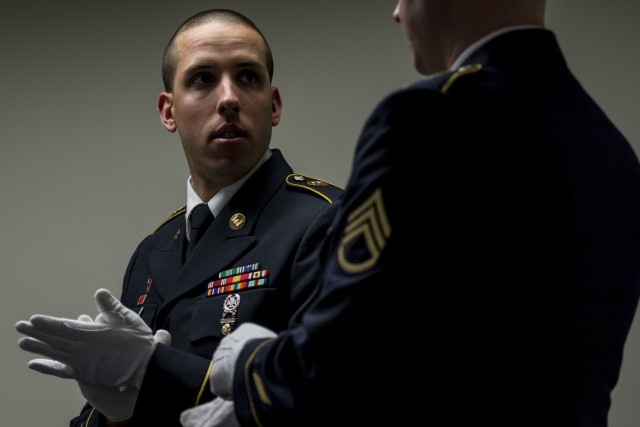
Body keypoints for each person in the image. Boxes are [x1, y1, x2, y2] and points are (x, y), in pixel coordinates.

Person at [179, 1, 640, 426]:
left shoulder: (431, 118)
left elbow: (343, 359)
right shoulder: (613, 153)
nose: (397, 12)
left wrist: (248, 363)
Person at [15, 8, 342, 427]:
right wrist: (113, 414)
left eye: (248, 77)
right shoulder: (154, 251)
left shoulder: (325, 221)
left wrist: (152, 371)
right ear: (168, 111)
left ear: (273, 105)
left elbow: (325, 397)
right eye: (203, 79)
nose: (228, 98)